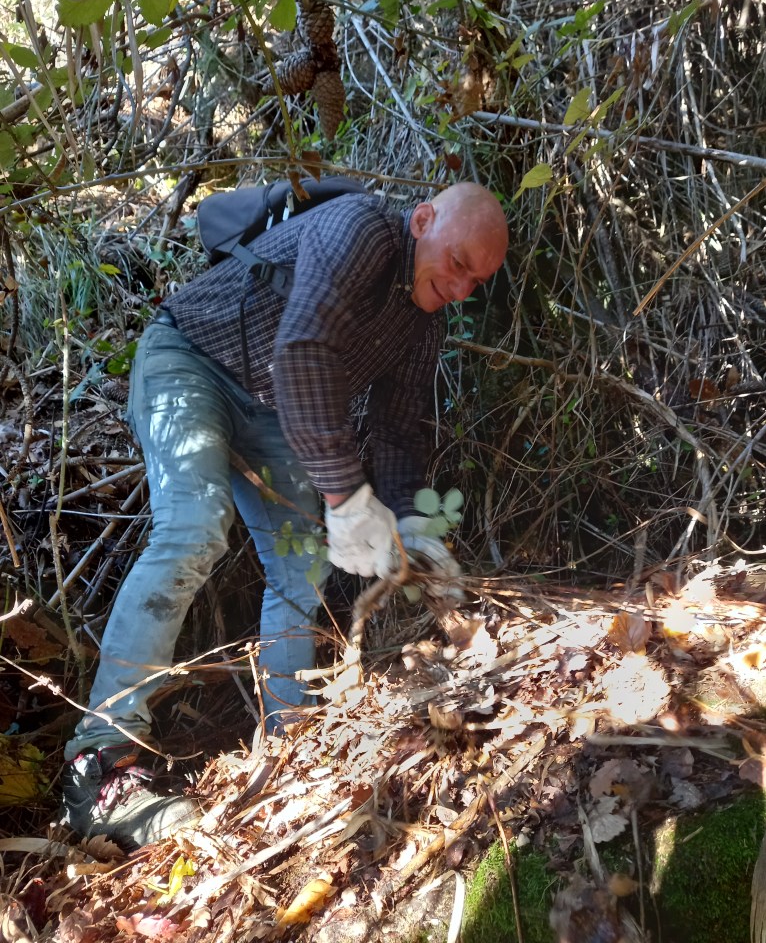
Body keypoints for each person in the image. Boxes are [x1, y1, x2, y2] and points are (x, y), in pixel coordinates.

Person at [60, 181, 509, 848]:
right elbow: (303, 350)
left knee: (301, 568)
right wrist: (345, 495)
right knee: (193, 527)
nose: (461, 286)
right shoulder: (361, 227)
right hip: (191, 359)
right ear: (422, 221)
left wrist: (412, 521)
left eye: (477, 281)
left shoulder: (422, 322)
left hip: (270, 410)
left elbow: (398, 430)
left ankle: (290, 744)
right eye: (459, 263)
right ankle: (99, 763)